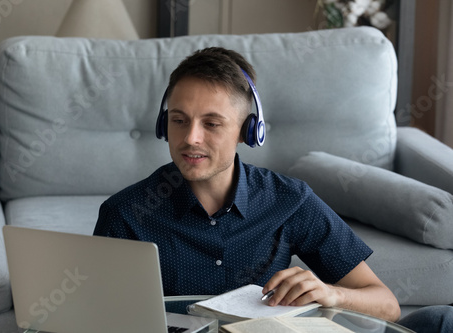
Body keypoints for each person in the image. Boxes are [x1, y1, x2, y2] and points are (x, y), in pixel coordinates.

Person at [94, 47, 452, 331]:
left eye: (212, 123)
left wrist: (329, 294)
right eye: (178, 120)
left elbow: (386, 304)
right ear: (163, 124)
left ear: (248, 131)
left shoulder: (290, 200)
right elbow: (97, 320)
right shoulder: (124, 214)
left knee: (441, 320)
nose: (191, 138)